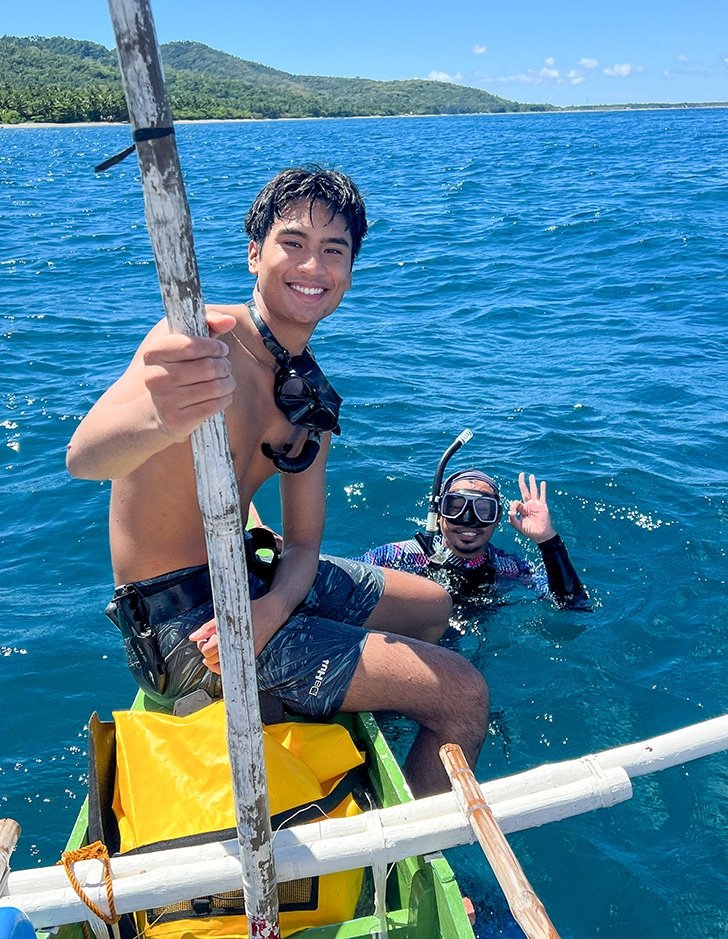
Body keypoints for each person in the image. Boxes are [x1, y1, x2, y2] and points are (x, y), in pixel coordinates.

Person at [66, 165, 489, 796]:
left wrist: (271, 609)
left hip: (253, 580)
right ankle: (413, 834)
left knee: (433, 605)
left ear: (350, 270)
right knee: (464, 694)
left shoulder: (309, 397)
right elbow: (84, 457)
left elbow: (305, 544)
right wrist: (158, 416)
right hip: (182, 628)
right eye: (292, 242)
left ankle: (363, 713)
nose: (313, 266)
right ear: (254, 253)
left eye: (334, 250)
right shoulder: (198, 339)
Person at [357, 469, 590, 609]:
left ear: (497, 518)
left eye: (484, 510)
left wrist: (547, 540)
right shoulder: (397, 557)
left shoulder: (508, 568)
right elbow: (342, 583)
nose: (468, 520)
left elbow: (571, 604)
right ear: (438, 515)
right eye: (455, 508)